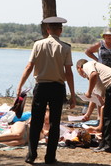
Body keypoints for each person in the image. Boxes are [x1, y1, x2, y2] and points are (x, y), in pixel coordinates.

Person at [16, 16, 76, 165]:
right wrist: (73, 94)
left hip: (41, 87)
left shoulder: (38, 45)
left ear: (47, 30)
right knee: (55, 123)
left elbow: (29, 67)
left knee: (36, 122)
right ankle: (50, 157)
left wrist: (20, 85)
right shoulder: (66, 47)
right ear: (60, 31)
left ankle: (31, 155)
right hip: (57, 88)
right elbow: (68, 72)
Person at [76, 58, 111, 153]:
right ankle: (104, 144)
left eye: (79, 72)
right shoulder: (96, 77)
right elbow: (97, 96)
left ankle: (109, 146)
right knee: (109, 116)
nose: (81, 75)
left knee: (109, 117)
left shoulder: (87, 65)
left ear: (79, 68)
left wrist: (88, 92)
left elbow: (93, 74)